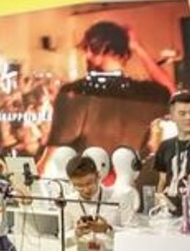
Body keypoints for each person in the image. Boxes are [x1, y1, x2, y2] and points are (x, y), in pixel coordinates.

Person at [46, 21, 174, 159]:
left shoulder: (75, 91)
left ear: (109, 49)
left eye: (92, 48)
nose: (87, 55)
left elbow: (53, 157)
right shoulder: (144, 93)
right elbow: (171, 91)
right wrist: (138, 48)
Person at [63, 155, 134, 251]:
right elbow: (62, 239)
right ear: (71, 182)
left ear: (98, 176)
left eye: (89, 183)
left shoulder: (120, 197)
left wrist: (107, 229)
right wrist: (76, 233)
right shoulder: (68, 202)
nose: (86, 189)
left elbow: (132, 235)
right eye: (79, 185)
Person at [153, 91, 190, 215]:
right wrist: (157, 206)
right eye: (182, 113)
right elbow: (162, 180)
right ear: (172, 116)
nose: (188, 118)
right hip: (168, 211)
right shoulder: (165, 146)